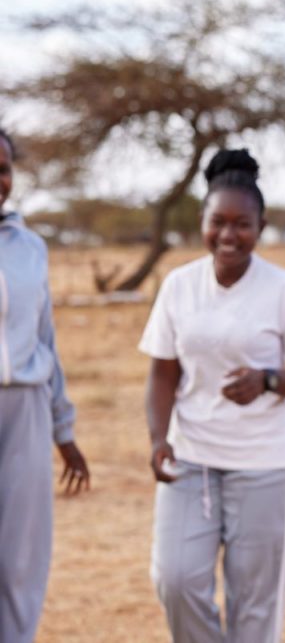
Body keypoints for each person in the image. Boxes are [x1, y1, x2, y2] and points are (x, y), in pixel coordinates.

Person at [138, 148, 285, 643]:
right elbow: (162, 374)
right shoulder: (179, 286)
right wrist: (158, 439)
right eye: (217, 222)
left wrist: (268, 380)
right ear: (201, 221)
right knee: (176, 581)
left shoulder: (283, 290)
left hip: (265, 464)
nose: (228, 235)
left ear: (261, 225)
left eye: (241, 224)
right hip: (190, 461)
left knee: (254, 604)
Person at [0, 128, 91, 643]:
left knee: (20, 559)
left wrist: (63, 428)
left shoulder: (30, 246)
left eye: (4, 168)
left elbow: (45, 340)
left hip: (27, 412)